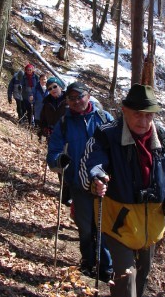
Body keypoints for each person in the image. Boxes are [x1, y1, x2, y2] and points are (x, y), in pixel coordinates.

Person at [79, 84, 165, 297]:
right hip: (119, 221)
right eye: (138, 114)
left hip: (152, 223)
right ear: (125, 111)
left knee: (143, 272)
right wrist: (97, 179)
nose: (143, 121)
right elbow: (92, 164)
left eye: (148, 115)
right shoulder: (107, 137)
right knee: (125, 275)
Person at [47, 81, 114, 281]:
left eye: (80, 97)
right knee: (85, 227)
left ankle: (106, 267)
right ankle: (88, 261)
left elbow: (116, 148)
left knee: (103, 227)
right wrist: (59, 160)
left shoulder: (104, 118)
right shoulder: (65, 123)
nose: (77, 102)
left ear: (89, 95)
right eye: (72, 99)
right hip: (78, 183)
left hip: (103, 184)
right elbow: (53, 151)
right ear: (67, 100)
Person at [39, 76, 67, 141]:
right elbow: (43, 119)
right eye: (50, 89)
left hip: (67, 135)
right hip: (52, 136)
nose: (53, 89)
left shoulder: (69, 100)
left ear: (60, 87)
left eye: (55, 86)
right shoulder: (47, 102)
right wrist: (44, 130)